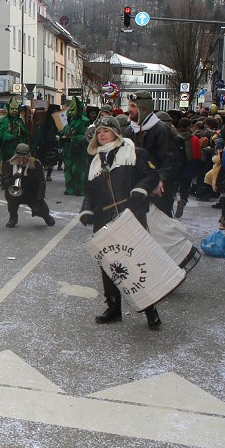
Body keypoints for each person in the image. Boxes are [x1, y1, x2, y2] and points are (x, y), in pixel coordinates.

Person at [79, 116, 162, 330]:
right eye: (99, 132)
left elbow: (152, 175)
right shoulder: (94, 160)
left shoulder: (135, 152)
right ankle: (113, 308)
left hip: (131, 214)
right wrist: (86, 209)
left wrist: (140, 189)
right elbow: (89, 190)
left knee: (136, 264)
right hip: (104, 219)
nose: (102, 134)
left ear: (116, 132)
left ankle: (150, 309)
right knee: (109, 264)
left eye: (106, 130)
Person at [2, 143, 55, 228]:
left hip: (32, 192)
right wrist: (13, 179)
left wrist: (39, 198)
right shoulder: (10, 164)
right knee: (11, 198)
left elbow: (42, 182)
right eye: (19, 158)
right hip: (16, 193)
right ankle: (13, 218)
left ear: (28, 157)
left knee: (41, 210)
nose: (21, 161)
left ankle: (47, 216)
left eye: (24, 158)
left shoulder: (36, 164)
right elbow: (4, 183)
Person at [59, 97, 90, 195]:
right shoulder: (70, 120)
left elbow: (86, 136)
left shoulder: (84, 121)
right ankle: (70, 188)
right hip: (68, 149)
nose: (71, 112)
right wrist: (61, 137)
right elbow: (66, 131)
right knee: (68, 169)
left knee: (78, 170)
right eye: (70, 110)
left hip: (79, 149)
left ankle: (80, 189)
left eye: (73, 110)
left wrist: (73, 138)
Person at [0, 97, 29, 173]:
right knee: (6, 163)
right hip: (6, 147)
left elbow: (24, 133)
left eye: (16, 109)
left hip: (18, 147)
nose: (14, 111)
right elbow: (0, 132)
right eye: (12, 109)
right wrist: (8, 137)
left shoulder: (20, 121)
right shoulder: (4, 120)